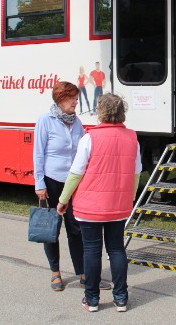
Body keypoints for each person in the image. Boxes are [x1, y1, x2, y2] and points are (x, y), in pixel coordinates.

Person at [57, 93, 142, 313]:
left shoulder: (89, 138)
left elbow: (76, 173)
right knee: (117, 250)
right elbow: (136, 173)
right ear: (122, 112)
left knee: (92, 251)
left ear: (100, 112)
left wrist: (63, 199)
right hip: (119, 205)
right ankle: (121, 298)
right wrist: (130, 198)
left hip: (90, 206)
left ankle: (92, 299)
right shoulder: (132, 138)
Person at [32, 81, 111, 292]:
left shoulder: (77, 123)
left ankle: (84, 274)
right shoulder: (45, 121)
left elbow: (82, 153)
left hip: (73, 184)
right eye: (72, 99)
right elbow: (38, 154)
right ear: (61, 99)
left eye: (76, 98)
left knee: (76, 229)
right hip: (51, 182)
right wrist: (39, 184)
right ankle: (55, 272)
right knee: (51, 229)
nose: (76, 102)